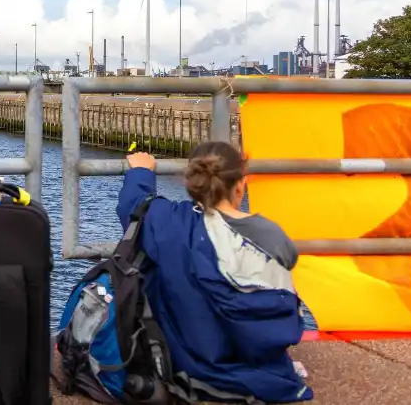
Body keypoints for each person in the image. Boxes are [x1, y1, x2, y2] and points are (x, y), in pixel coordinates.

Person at [118, 141, 312, 403]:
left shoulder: (169, 220)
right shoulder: (272, 235)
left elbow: (135, 208)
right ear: (241, 184)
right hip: (267, 377)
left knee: (156, 264)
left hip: (190, 368)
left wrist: (141, 171)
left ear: (193, 183)